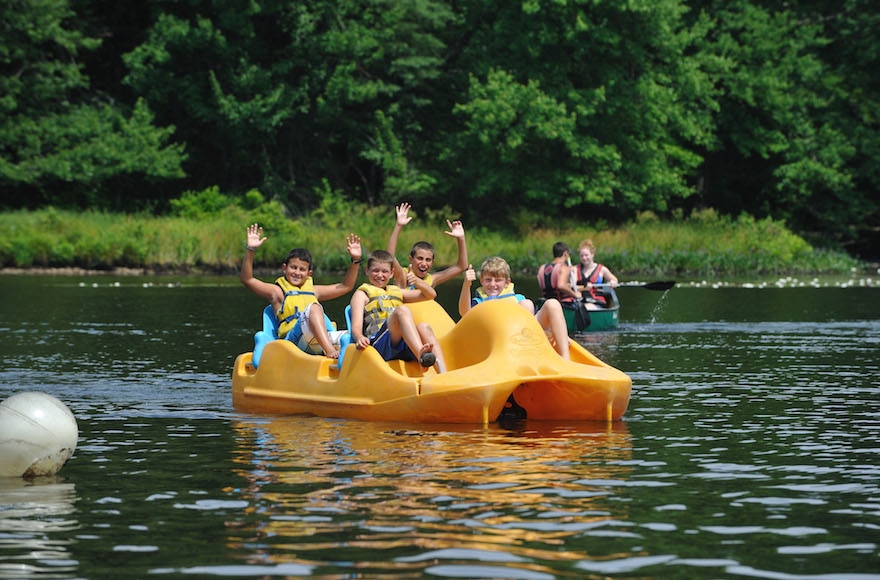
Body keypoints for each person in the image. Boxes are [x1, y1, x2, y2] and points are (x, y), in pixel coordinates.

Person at [240, 223, 362, 359]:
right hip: (292, 343)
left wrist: (355, 260)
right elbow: (247, 280)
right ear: (284, 268)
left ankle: (350, 370)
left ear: (309, 273)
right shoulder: (277, 292)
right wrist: (250, 249)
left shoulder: (314, 291)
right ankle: (330, 351)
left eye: (302, 269)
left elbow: (346, 286)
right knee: (314, 308)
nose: (297, 272)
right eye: (293, 267)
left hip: (316, 340)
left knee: (351, 338)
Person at [350, 249, 447, 372]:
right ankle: (421, 357)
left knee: (424, 327)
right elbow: (356, 328)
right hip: (379, 346)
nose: (380, 275)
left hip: (402, 344)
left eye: (384, 271)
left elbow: (431, 295)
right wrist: (359, 338)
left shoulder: (397, 292)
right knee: (402, 310)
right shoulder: (362, 294)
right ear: (367, 271)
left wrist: (417, 281)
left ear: (391, 273)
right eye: (375, 271)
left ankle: (443, 373)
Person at [459, 257, 570, 360]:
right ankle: (528, 352)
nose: (492, 284)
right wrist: (466, 284)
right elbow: (464, 313)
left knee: (550, 304)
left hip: (527, 336)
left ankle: (565, 358)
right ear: (482, 281)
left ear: (507, 282)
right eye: (488, 280)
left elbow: (536, 323)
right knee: (526, 304)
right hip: (503, 342)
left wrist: (559, 335)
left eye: (497, 280)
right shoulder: (479, 302)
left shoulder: (518, 299)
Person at [387, 202, 468, 292]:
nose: (423, 263)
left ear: (433, 262)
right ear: (411, 259)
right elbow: (389, 256)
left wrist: (461, 239)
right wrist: (399, 225)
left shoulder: (433, 280)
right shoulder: (402, 276)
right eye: (420, 258)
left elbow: (461, 267)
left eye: (428, 260)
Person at [574, 239, 619, 310]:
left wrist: (613, 282)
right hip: (579, 301)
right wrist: (583, 287)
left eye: (586, 255)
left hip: (596, 301)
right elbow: (571, 286)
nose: (584, 258)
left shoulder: (602, 269)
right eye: (581, 256)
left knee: (586, 307)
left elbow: (614, 280)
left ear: (592, 255)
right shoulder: (575, 269)